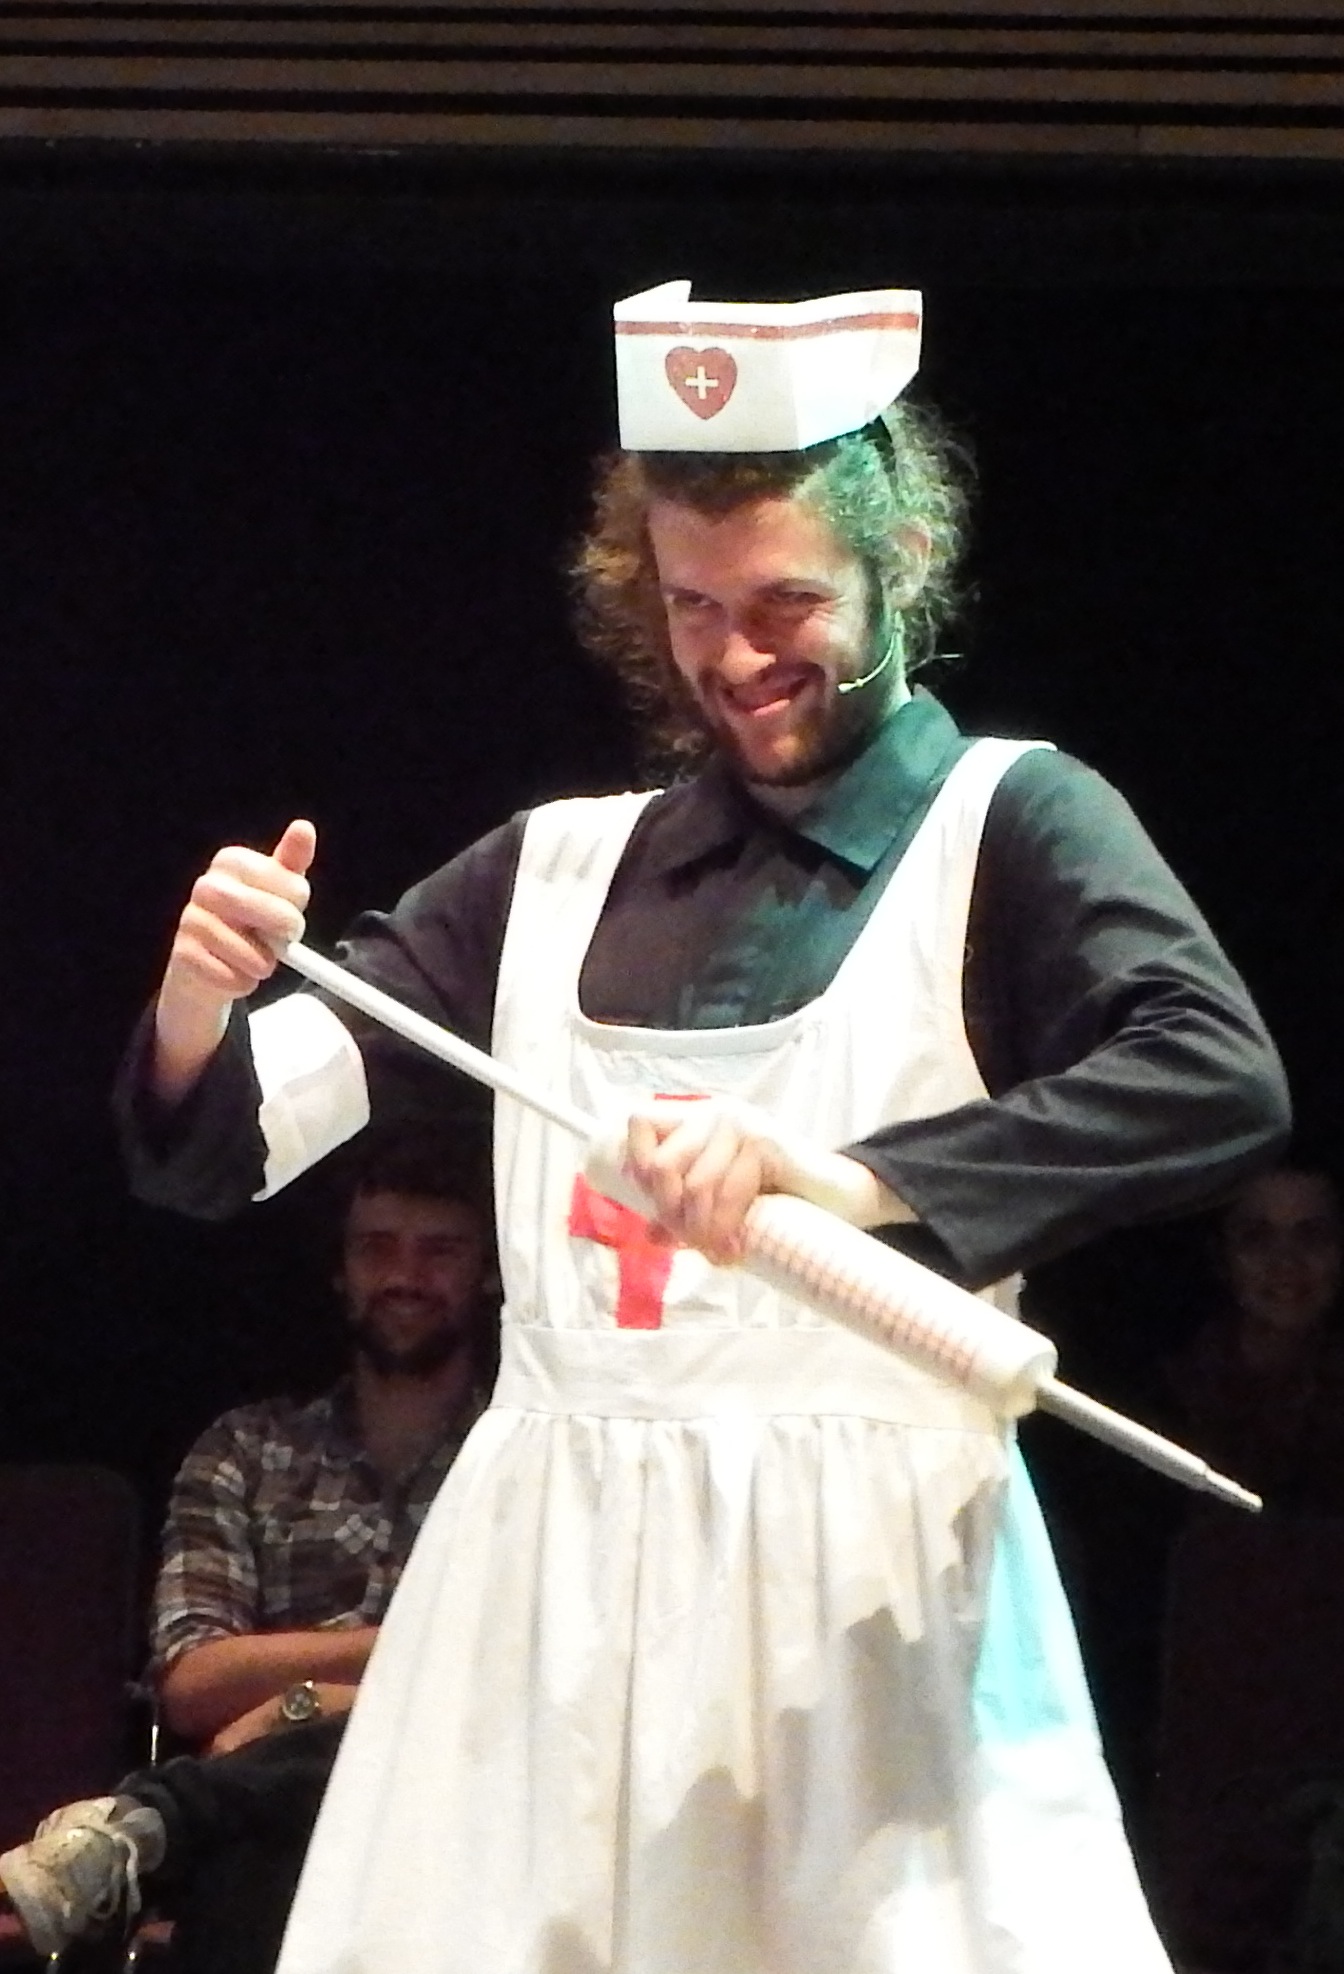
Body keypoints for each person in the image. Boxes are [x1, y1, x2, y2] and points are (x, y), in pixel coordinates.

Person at [113, 279, 1288, 1973]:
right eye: (690, 605)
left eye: (786, 599)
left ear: (900, 563)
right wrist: (194, 1006)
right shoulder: (549, 868)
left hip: (866, 1592)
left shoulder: (1010, 821)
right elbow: (225, 1142)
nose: (736, 658)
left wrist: (856, 1177)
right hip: (552, 1589)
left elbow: (1214, 1073)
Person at [0, 1130, 496, 1972]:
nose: (405, 1276)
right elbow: (195, 1683)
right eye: (378, 1248)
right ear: (341, 1272)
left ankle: (150, 1824)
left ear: (486, 1274)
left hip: (468, 1810)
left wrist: (288, 1705)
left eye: (439, 1251)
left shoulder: (525, 1463)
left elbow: (528, 1675)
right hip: (270, 1836)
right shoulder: (247, 1450)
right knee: (274, 1844)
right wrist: (391, 1668)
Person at [1168, 1160, 1344, 1513]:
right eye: (1256, 1237)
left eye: (1312, 1236)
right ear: (1221, 1254)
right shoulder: (1172, 1391)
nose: (1286, 1263)